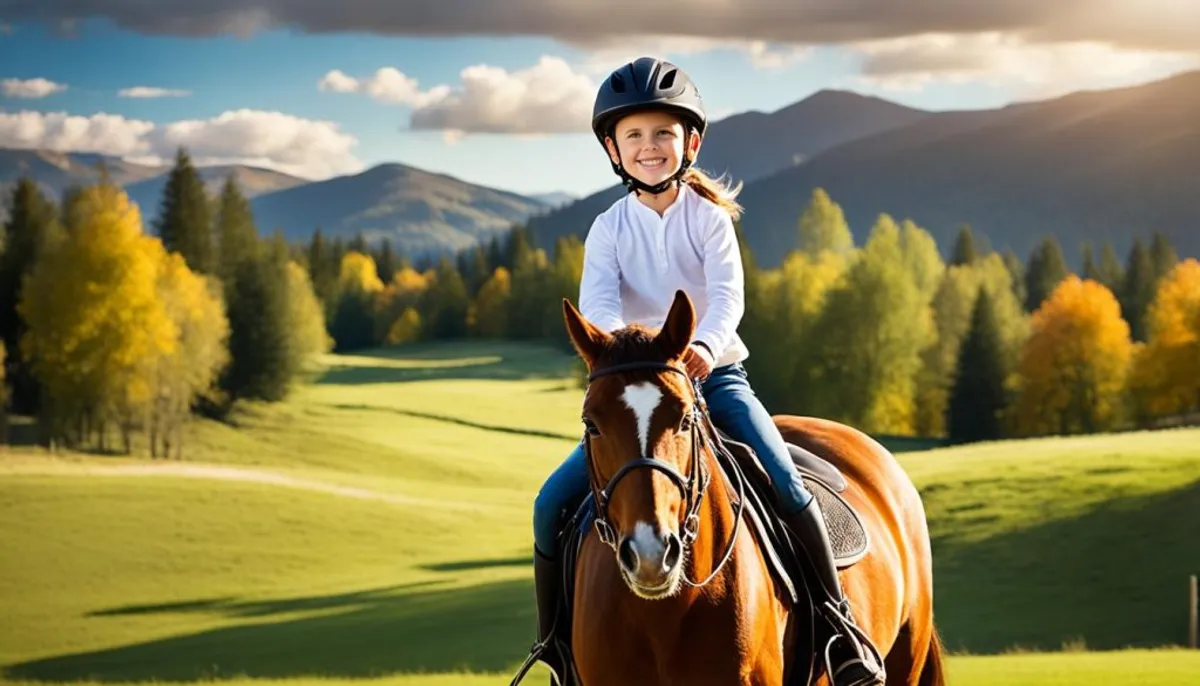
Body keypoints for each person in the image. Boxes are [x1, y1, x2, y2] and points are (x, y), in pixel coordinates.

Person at [526, 56, 885, 686]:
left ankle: (837, 628)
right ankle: (557, 652)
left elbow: (728, 297)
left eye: (662, 133)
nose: (648, 147)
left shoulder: (709, 219)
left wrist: (706, 347)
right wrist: (623, 349)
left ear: (689, 142)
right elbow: (601, 306)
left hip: (714, 377)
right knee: (550, 503)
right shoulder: (607, 229)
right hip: (634, 386)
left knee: (783, 481)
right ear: (613, 148)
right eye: (633, 135)